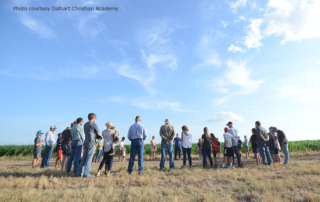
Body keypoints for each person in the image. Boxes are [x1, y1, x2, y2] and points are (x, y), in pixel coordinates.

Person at [78, 113, 100, 178]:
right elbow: (98, 133)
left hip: (86, 142)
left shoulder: (85, 124)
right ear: (93, 118)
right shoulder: (94, 124)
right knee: (89, 159)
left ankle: (80, 173)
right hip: (92, 142)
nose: (95, 119)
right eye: (95, 118)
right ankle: (87, 174)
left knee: (84, 158)